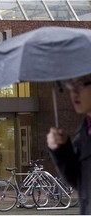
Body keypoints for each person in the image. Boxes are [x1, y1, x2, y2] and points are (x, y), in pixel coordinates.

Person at [47, 74, 91, 215]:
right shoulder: (84, 130)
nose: (74, 93)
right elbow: (80, 182)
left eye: (81, 84)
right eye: (71, 86)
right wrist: (62, 149)